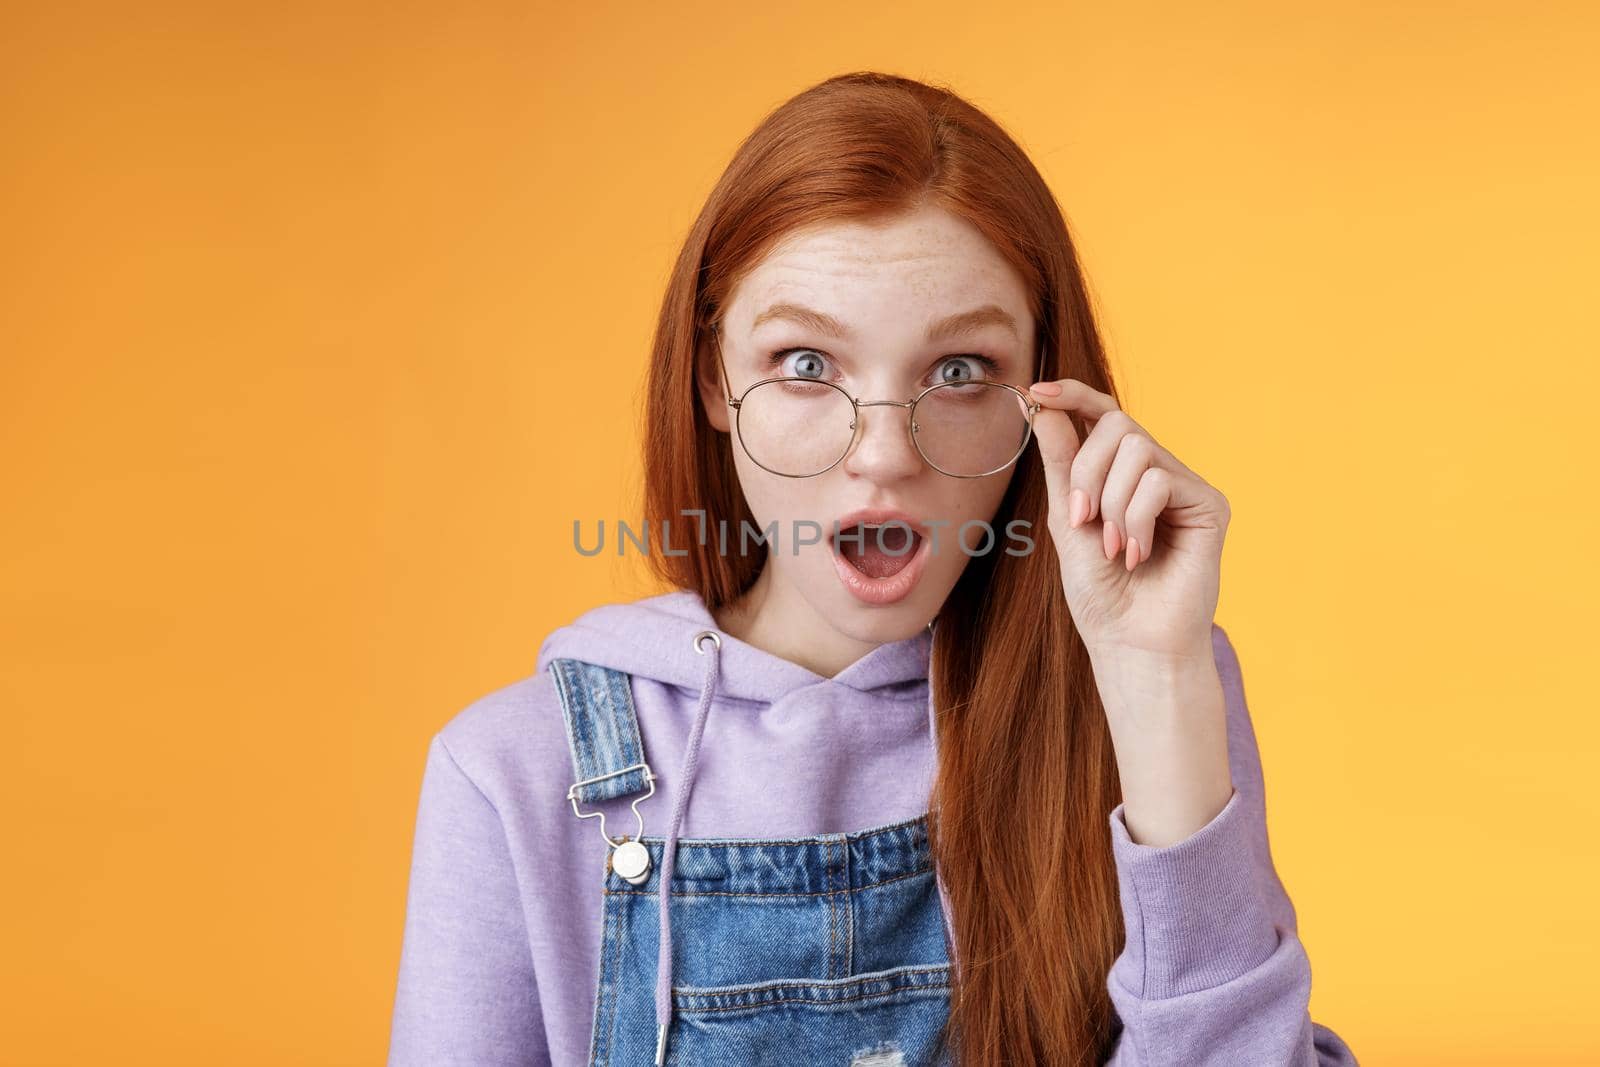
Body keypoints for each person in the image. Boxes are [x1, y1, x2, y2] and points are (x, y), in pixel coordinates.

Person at [387, 71, 1358, 1066]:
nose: (886, 453)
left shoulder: (1145, 698)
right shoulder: (512, 773)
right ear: (713, 380)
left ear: (1045, 400)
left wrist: (1156, 681)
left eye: (960, 370)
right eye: (806, 363)